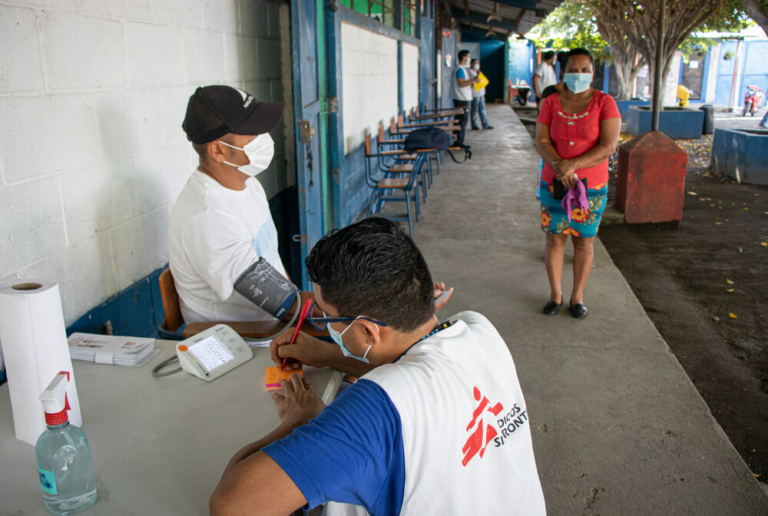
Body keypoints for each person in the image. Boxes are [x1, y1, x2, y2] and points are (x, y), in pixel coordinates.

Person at [210, 217, 546, 516]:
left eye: (328, 317)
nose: (325, 326)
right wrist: (327, 355)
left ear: (368, 330)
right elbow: (415, 378)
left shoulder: (374, 411)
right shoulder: (478, 329)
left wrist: (303, 419)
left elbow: (232, 506)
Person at [170, 85, 294, 324]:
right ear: (218, 150)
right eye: (252, 132)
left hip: (278, 326)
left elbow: (278, 274)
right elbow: (281, 301)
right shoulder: (209, 217)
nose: (264, 137)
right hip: (249, 342)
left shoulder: (250, 185)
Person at [535, 48, 621, 319]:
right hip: (555, 184)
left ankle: (577, 297)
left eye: (585, 70)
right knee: (554, 239)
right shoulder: (550, 103)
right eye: (573, 70)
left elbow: (608, 146)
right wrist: (560, 165)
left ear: (593, 74)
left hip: (591, 186)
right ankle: (556, 295)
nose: (579, 75)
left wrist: (573, 165)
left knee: (584, 241)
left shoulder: (604, 103)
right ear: (564, 73)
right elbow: (542, 140)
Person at [452, 50, 480, 146]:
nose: (468, 58)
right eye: (468, 56)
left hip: (464, 98)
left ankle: (459, 140)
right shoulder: (459, 70)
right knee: (461, 121)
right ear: (464, 57)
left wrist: (473, 82)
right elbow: (461, 84)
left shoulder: (463, 69)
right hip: (461, 99)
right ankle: (458, 141)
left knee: (463, 121)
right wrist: (473, 80)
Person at [468, 59, 493, 130]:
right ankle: (474, 124)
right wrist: (479, 74)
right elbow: (477, 80)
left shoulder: (477, 72)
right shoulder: (469, 72)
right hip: (475, 93)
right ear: (471, 64)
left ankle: (485, 124)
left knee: (482, 109)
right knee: (474, 109)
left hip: (481, 93)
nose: (477, 65)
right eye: (475, 63)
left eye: (477, 63)